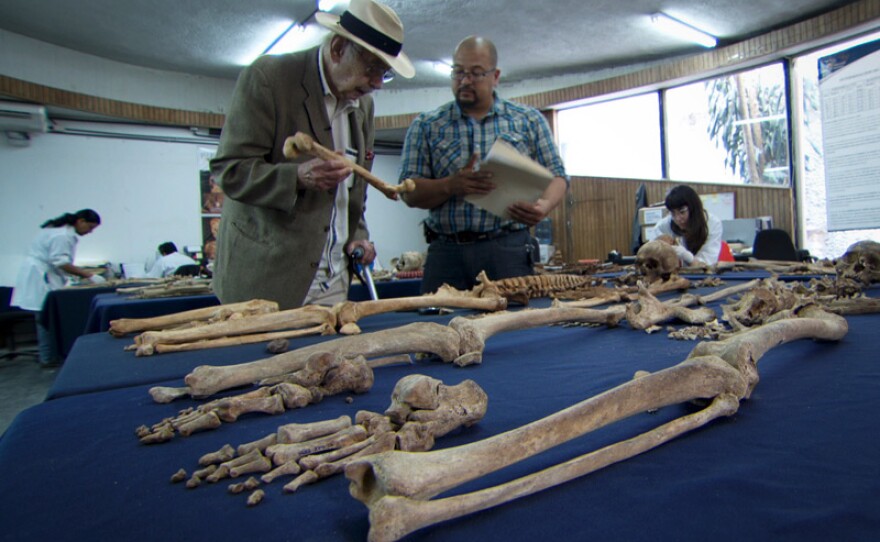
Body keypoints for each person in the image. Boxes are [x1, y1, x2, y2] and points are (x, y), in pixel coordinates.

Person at [210, 0, 414, 309]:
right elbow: (230, 171)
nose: (376, 84)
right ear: (337, 48)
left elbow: (353, 191)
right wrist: (297, 177)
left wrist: (358, 233)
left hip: (334, 285)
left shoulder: (363, 107)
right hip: (267, 284)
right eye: (372, 68)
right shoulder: (269, 79)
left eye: (384, 74)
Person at [399, 36, 568, 293]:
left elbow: (558, 176)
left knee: (514, 328)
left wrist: (544, 206)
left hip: (507, 251)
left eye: (476, 73)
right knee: (437, 330)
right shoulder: (426, 126)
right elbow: (409, 193)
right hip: (447, 254)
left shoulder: (528, 121)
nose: (465, 80)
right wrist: (450, 185)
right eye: (458, 72)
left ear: (495, 76)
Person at [11, 209, 104, 366]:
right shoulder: (62, 235)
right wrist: (89, 275)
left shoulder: (58, 231)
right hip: (41, 277)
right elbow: (60, 262)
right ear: (80, 221)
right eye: (90, 228)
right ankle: (48, 358)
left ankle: (48, 354)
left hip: (43, 274)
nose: (89, 232)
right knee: (45, 316)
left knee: (45, 316)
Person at [649, 185, 723, 266]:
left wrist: (686, 256)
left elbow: (706, 263)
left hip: (703, 275)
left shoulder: (712, 224)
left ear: (693, 208)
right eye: (673, 213)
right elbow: (650, 254)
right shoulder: (663, 226)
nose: (677, 219)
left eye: (682, 212)